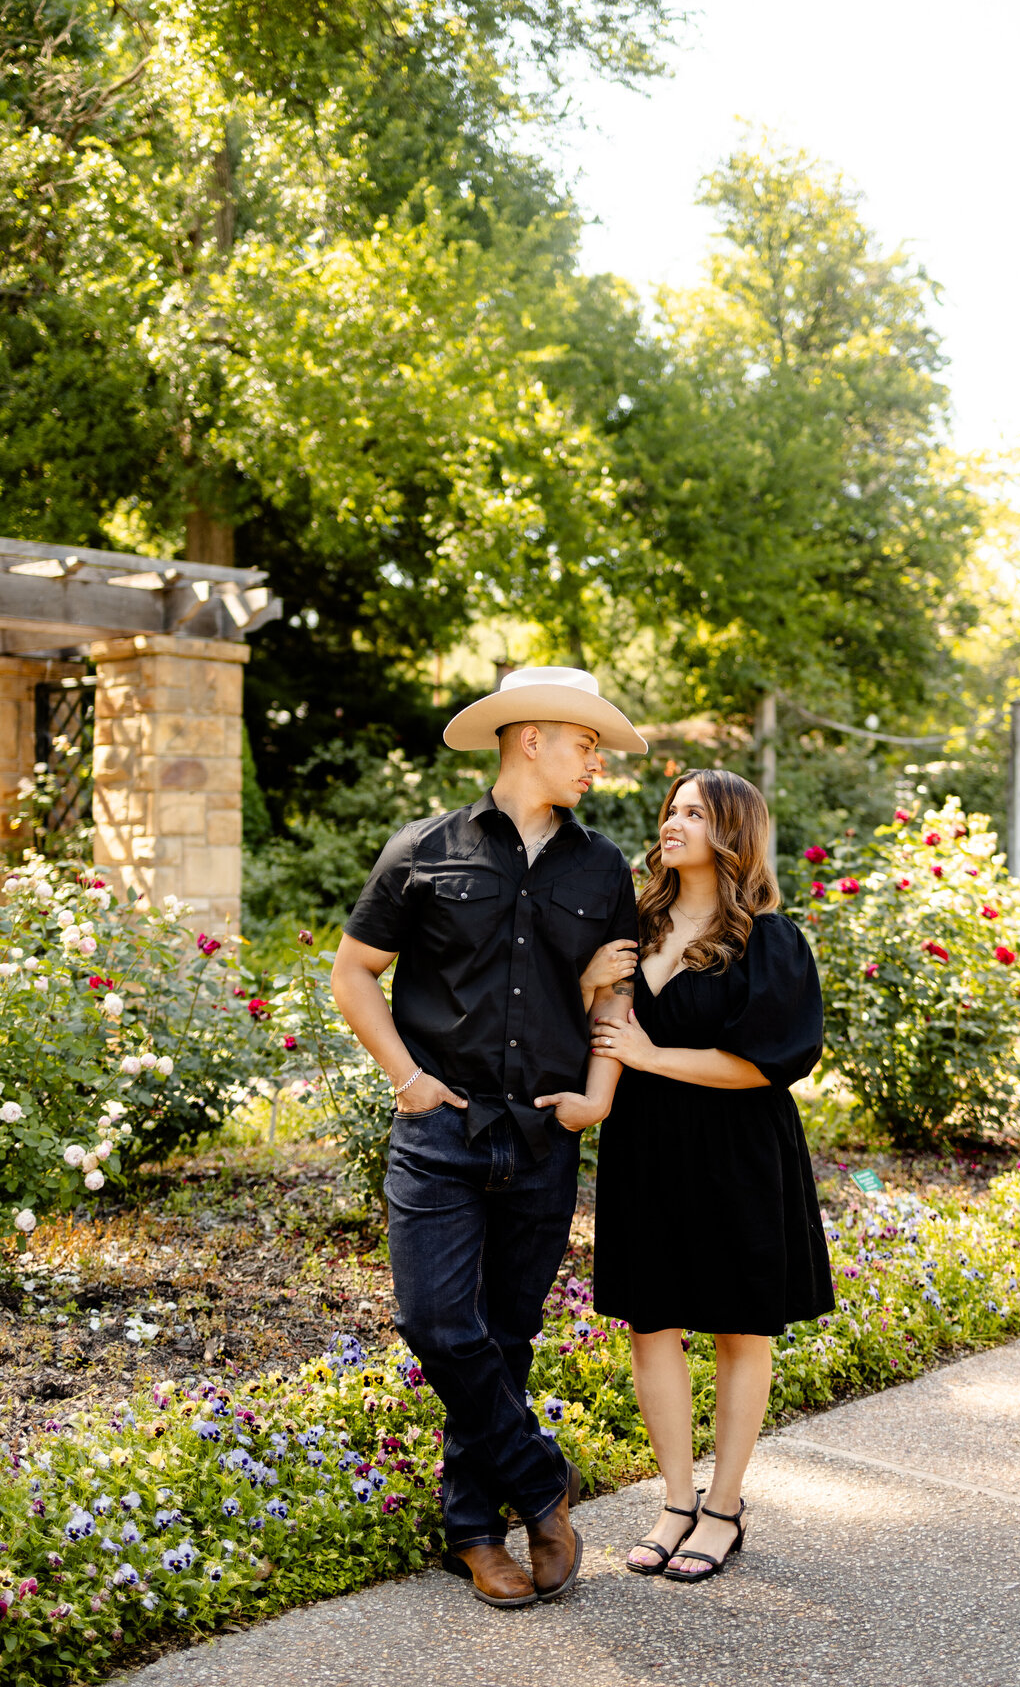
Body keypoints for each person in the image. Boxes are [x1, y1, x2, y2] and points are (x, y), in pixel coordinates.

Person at [331, 666, 646, 1609]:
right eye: (585, 744)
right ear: (530, 738)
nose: (596, 762)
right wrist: (408, 1080)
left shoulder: (602, 867)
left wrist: (597, 1099)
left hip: (546, 1133)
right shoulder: (422, 849)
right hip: (442, 1130)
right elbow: (353, 972)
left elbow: (613, 996)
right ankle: (542, 1481)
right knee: (436, 1323)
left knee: (507, 1335)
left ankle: (473, 1531)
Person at [589, 768, 833, 1583]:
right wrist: (592, 990)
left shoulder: (769, 939)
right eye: (672, 809)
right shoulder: (634, 927)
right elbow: (595, 1020)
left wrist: (652, 1055)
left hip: (737, 1147)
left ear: (731, 831)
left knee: (738, 1326)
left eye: (693, 812)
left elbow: (768, 1063)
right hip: (644, 1143)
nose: (673, 822)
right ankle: (674, 1500)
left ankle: (724, 1507)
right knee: (650, 1321)